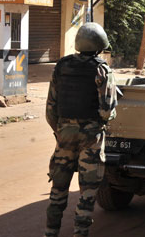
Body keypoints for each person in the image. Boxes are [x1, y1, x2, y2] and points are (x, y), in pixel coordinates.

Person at [45, 22, 117, 237]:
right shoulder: (102, 69)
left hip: (64, 134)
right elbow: (107, 111)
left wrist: (61, 131)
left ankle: (50, 233)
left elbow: (51, 108)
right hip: (91, 137)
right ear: (99, 45)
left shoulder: (61, 66)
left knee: (58, 188)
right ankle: (80, 233)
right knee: (87, 191)